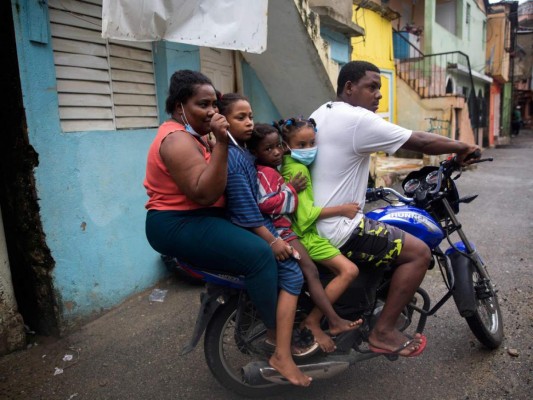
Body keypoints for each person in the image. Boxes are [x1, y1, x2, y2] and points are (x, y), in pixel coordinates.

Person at [309, 60, 480, 357]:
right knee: (418, 253)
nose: (378, 95)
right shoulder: (358, 119)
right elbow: (420, 141)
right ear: (349, 88)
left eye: (380, 88)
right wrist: (462, 147)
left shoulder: (323, 111)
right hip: (338, 227)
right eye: (371, 87)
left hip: (313, 222)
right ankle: (383, 331)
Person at [143, 71, 280, 381]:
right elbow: (204, 193)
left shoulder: (193, 134)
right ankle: (277, 338)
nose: (212, 112)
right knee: (260, 254)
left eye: (215, 105)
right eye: (202, 104)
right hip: (179, 223)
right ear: (180, 106)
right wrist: (220, 142)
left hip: (198, 217)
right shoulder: (176, 139)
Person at [217, 93, 316, 387]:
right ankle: (281, 353)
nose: (248, 122)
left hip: (261, 226)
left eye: (249, 116)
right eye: (240, 117)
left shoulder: (241, 153)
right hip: (261, 231)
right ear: (224, 120)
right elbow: (249, 210)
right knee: (294, 277)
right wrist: (274, 241)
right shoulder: (235, 158)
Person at [248, 123, 362, 353]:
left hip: (290, 231)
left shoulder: (285, 166)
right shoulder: (284, 171)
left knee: (312, 272)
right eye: (269, 149)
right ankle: (326, 320)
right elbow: (282, 208)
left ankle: (329, 319)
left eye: (277, 146)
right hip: (290, 232)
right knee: (341, 270)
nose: (277, 152)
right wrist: (291, 189)